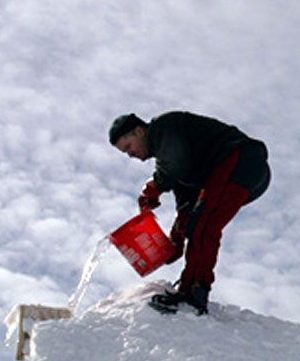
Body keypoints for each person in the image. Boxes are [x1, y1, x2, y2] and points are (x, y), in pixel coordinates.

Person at [108, 111, 271, 315]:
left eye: (128, 147)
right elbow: (186, 202)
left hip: (239, 159)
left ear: (139, 131)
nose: (130, 154)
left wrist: (153, 187)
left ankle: (193, 294)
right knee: (198, 224)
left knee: (204, 226)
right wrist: (177, 237)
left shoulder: (164, 127)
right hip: (238, 173)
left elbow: (175, 166)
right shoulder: (169, 157)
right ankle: (192, 289)